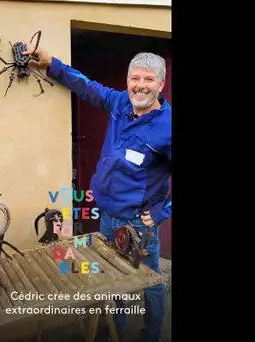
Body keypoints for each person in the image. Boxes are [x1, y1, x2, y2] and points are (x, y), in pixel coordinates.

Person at [24, 47, 172, 342]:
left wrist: (159, 214)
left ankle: (152, 335)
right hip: (107, 217)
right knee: (113, 278)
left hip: (138, 225)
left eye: (148, 79)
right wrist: (53, 64)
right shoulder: (120, 103)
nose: (140, 85)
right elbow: (88, 87)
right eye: (134, 78)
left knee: (150, 281)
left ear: (161, 84)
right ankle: (115, 328)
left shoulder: (167, 128)